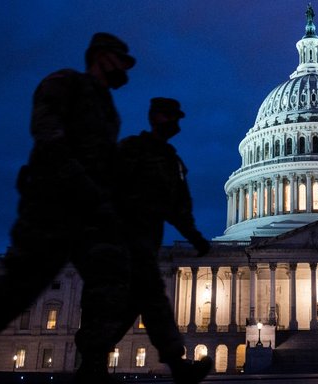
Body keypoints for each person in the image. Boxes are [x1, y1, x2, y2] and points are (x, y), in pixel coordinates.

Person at [0, 32, 135, 384]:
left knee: (116, 280)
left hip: (87, 213)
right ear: (101, 57)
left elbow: (104, 163)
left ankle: (93, 360)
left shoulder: (107, 108)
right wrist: (75, 180)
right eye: (119, 61)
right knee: (23, 283)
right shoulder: (65, 83)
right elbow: (46, 132)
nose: (123, 71)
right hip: (51, 201)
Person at [112, 97, 212, 384]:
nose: (177, 124)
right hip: (120, 242)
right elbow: (104, 188)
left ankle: (177, 365)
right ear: (156, 117)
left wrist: (196, 238)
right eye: (172, 117)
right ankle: (177, 366)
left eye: (178, 119)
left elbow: (179, 206)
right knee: (141, 302)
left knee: (144, 303)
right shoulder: (129, 149)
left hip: (146, 244)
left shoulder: (171, 159)